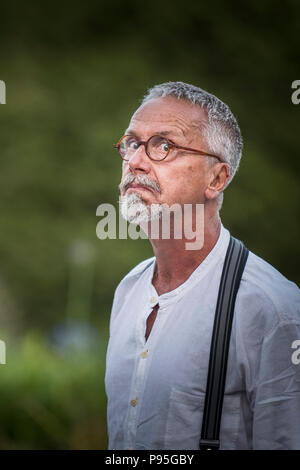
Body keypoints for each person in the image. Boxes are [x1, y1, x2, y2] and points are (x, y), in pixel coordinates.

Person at [104, 81, 300, 450]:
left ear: (217, 178)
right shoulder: (129, 289)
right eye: (131, 143)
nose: (135, 161)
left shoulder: (272, 309)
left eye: (164, 146)